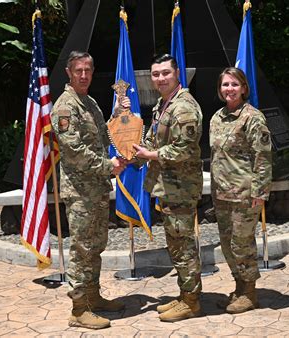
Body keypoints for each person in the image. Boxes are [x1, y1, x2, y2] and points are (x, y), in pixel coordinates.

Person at [50, 51, 128, 329]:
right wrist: (109, 165)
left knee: (96, 246)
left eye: (88, 70)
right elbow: (74, 151)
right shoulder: (65, 107)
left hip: (95, 188)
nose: (84, 75)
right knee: (82, 249)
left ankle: (93, 297)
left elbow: (101, 135)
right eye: (78, 70)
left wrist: (121, 120)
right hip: (80, 191)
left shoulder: (89, 102)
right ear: (69, 73)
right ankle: (79, 309)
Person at [133, 54, 203, 322]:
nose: (160, 78)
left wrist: (151, 155)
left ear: (177, 74)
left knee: (183, 246)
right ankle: (185, 296)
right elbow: (155, 139)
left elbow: (184, 149)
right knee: (176, 245)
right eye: (155, 74)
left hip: (180, 187)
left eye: (165, 73)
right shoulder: (165, 104)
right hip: (168, 187)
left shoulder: (183, 107)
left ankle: (193, 302)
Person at [209, 67, 272, 314]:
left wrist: (260, 192)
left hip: (245, 194)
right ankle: (238, 287)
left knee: (242, 243)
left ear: (244, 88)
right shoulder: (217, 117)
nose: (229, 89)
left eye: (234, 85)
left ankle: (249, 293)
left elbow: (263, 157)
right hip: (222, 194)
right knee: (227, 243)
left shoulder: (253, 118)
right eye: (225, 85)